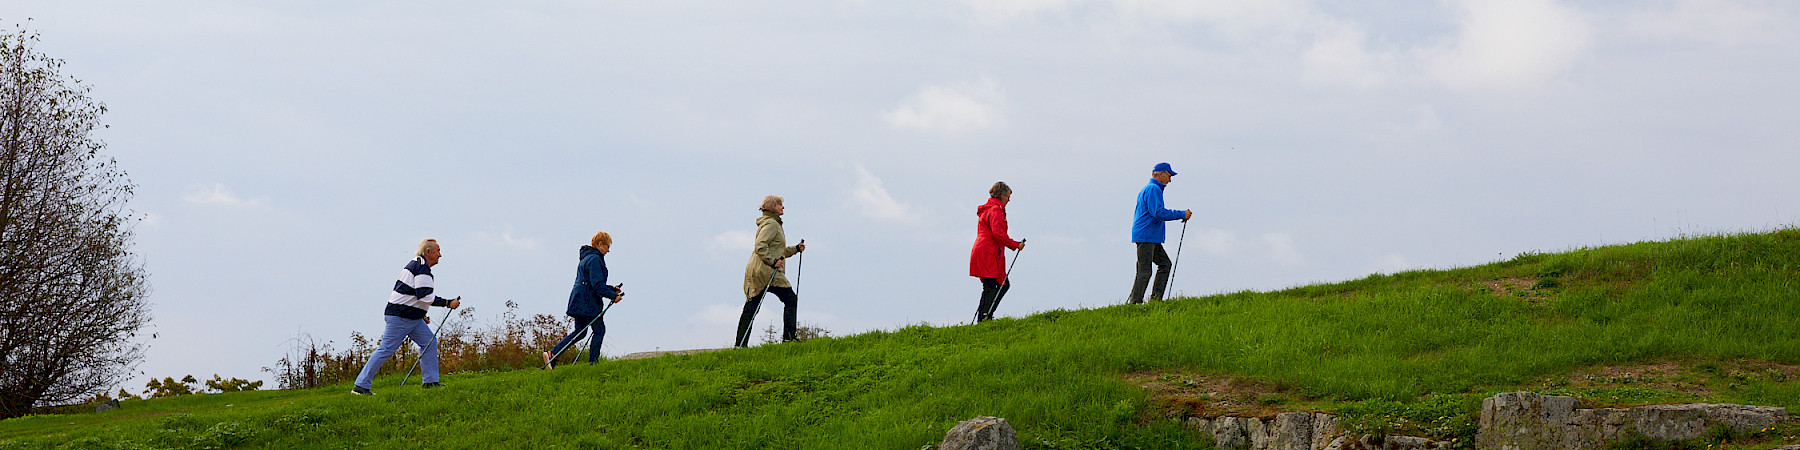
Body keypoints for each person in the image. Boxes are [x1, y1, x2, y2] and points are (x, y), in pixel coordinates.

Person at [352, 239, 461, 395]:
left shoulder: (418, 265)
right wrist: (448, 302)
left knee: (429, 342)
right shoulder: (421, 268)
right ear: (428, 252)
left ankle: (430, 382)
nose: (440, 255)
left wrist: (421, 314)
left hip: (412, 318)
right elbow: (424, 295)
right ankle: (361, 386)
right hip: (401, 317)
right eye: (438, 251)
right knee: (386, 349)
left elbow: (411, 295)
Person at [542, 231, 624, 369]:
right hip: (588, 302)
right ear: (599, 244)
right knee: (599, 330)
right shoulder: (596, 259)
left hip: (579, 300)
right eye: (607, 246)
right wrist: (613, 296)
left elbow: (591, 282)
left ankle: (552, 354)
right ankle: (593, 364)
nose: (608, 250)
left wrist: (611, 289)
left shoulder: (586, 258)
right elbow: (597, 285)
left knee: (580, 332)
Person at [736, 195, 805, 347]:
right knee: (790, 299)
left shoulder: (772, 223)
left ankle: (740, 345)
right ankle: (789, 339)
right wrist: (773, 262)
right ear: (773, 207)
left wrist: (795, 249)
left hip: (759, 271)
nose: (783, 207)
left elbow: (777, 251)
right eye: (780, 204)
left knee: (751, 307)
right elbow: (760, 246)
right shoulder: (772, 225)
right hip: (766, 271)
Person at [1129, 162, 1192, 304]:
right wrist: (1181, 214)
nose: (1170, 180)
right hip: (1147, 236)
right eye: (1169, 176)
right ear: (1162, 174)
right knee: (1145, 271)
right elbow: (1158, 212)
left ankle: (1155, 300)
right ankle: (1135, 303)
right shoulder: (1153, 189)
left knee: (1164, 265)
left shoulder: (1152, 189)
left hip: (1150, 236)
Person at [970, 181, 1024, 323]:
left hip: (985, 250)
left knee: (996, 284)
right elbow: (998, 234)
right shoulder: (995, 210)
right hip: (988, 251)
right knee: (994, 285)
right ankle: (984, 318)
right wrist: (1015, 245)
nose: (1009, 199)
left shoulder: (989, 209)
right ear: (1001, 195)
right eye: (1007, 196)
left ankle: (986, 316)